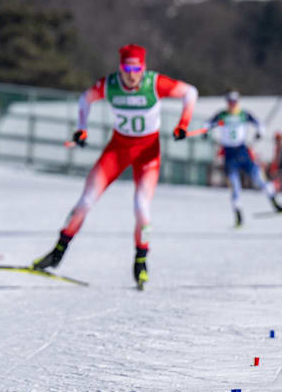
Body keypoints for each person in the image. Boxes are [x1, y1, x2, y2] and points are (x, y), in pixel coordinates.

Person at [31, 44, 197, 289]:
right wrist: (81, 128)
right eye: (127, 68)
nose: (132, 74)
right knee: (86, 200)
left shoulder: (154, 83)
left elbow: (190, 93)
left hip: (148, 152)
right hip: (117, 150)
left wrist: (184, 123)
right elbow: (85, 99)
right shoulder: (109, 85)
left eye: (137, 68)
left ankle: (141, 262)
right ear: (120, 68)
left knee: (141, 206)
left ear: (144, 68)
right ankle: (57, 252)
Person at [202, 90, 282, 227]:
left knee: (259, 178)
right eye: (230, 102)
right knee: (235, 186)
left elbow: (260, 125)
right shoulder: (222, 115)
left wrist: (260, 133)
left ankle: (275, 203)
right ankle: (238, 216)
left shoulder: (244, 114)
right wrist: (205, 132)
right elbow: (207, 125)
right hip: (229, 154)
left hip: (242, 152)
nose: (232, 104)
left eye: (234, 102)